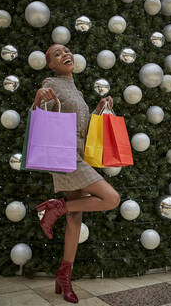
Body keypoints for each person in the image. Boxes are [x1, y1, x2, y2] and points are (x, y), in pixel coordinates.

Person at [32, 44, 120, 304]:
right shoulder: (51, 83)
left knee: (75, 217)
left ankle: (64, 278)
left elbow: (84, 125)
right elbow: (38, 116)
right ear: (51, 64)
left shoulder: (76, 89)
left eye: (67, 51)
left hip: (79, 153)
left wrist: (99, 108)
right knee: (111, 198)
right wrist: (38, 99)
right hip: (65, 154)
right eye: (57, 54)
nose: (65, 54)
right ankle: (56, 207)